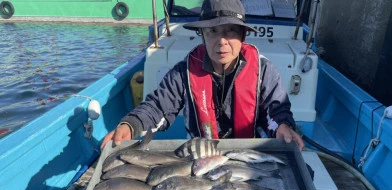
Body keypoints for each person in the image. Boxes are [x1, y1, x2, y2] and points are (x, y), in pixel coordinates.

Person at [101, 0, 304, 151]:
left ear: (242, 36)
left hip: (251, 155)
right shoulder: (185, 72)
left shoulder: (265, 71)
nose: (222, 41)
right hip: (201, 154)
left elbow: (276, 111)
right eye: (213, 31)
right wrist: (131, 124)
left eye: (230, 31)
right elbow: (158, 106)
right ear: (203, 36)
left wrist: (283, 127)